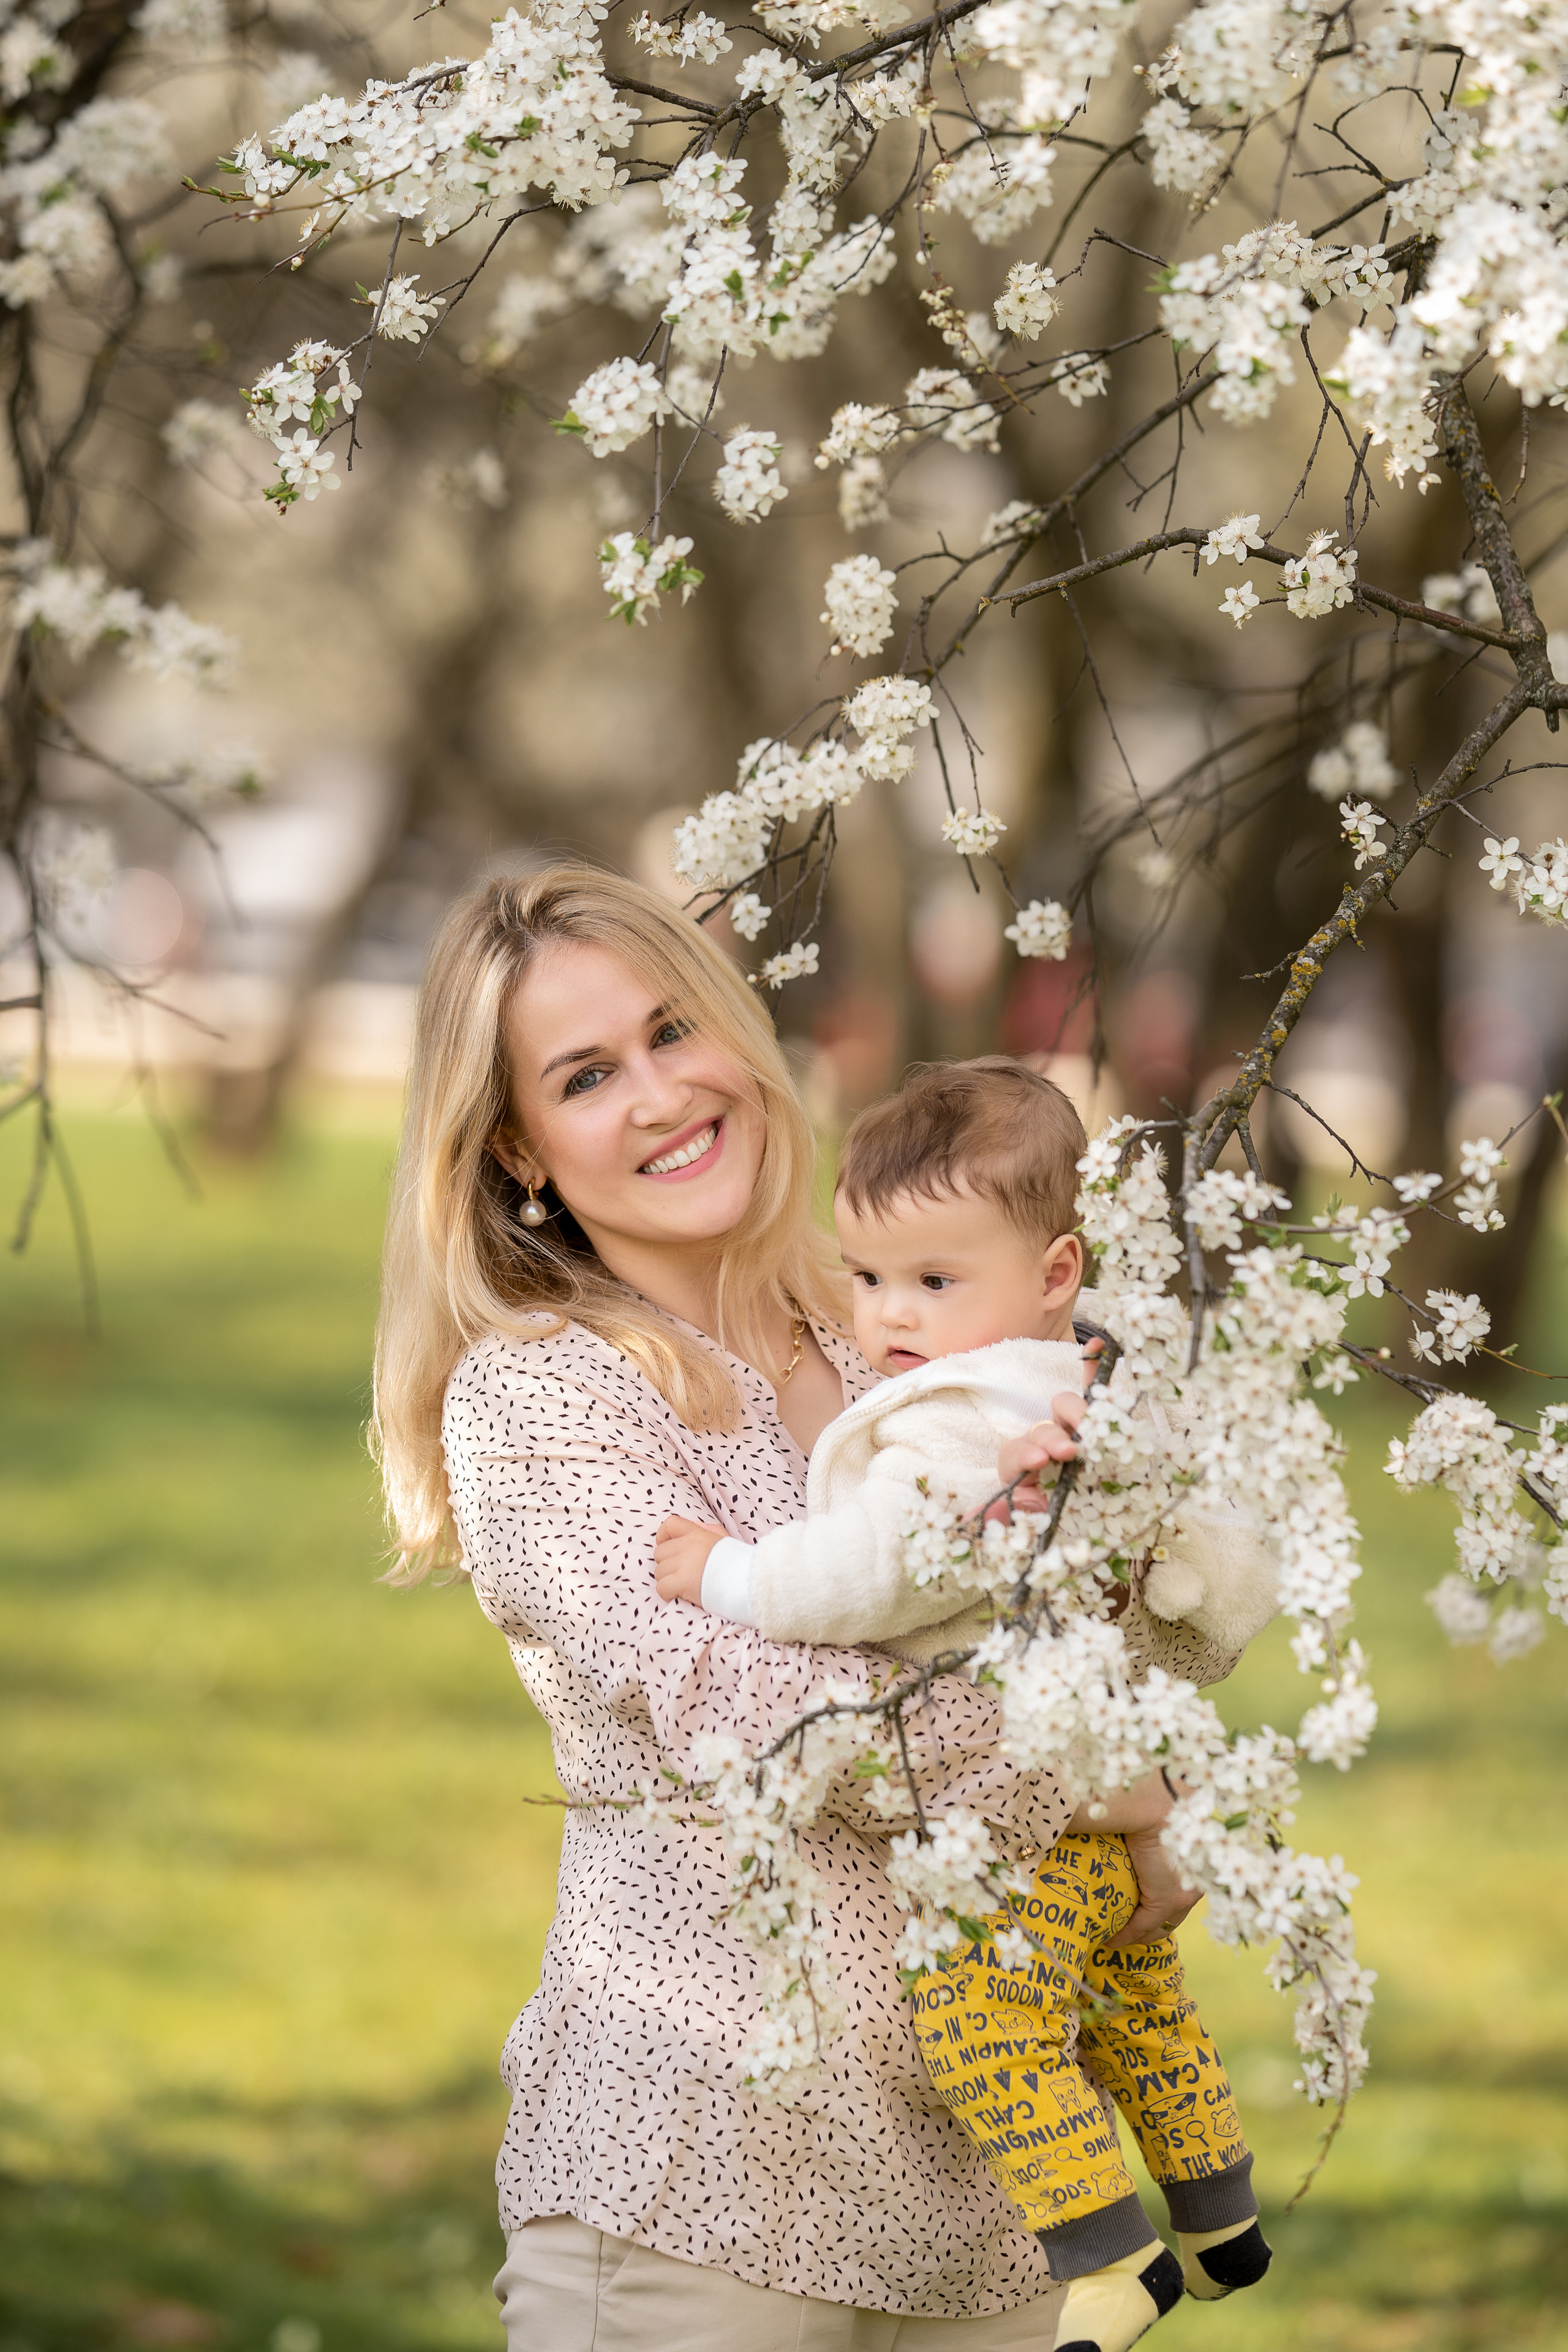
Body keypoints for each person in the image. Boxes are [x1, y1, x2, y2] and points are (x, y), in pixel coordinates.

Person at [372, 867, 1242, 2350]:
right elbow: (756, 1718)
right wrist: (1108, 1788)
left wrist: (1161, 1764)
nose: (657, 1096)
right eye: (587, 1076)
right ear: (518, 1144)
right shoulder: (539, 1397)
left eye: (671, 1031)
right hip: (704, 2193)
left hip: (999, 2209)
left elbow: (1124, 1611)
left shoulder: (905, 1323)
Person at [654, 1060, 1277, 2352]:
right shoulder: (1092, 1387)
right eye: (868, 1278)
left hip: (1021, 1823)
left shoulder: (959, 1427)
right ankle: (1219, 2210)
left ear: (1054, 1272)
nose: (889, 1318)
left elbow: (869, 1574)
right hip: (1099, 1811)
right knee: (1129, 2000)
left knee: (982, 2014)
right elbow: (1213, 1586)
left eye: (933, 1283)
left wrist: (719, 1568)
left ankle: (1112, 2259)